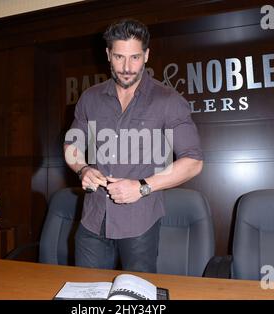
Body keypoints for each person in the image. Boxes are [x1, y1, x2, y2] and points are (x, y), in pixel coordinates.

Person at [64, 19, 203, 273]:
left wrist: (142, 187)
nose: (127, 68)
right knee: (86, 296)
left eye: (135, 57)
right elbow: (72, 144)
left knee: (136, 299)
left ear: (147, 55)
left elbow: (193, 161)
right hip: (92, 221)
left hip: (141, 224)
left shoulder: (168, 101)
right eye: (119, 57)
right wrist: (82, 169)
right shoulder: (90, 98)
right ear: (108, 55)